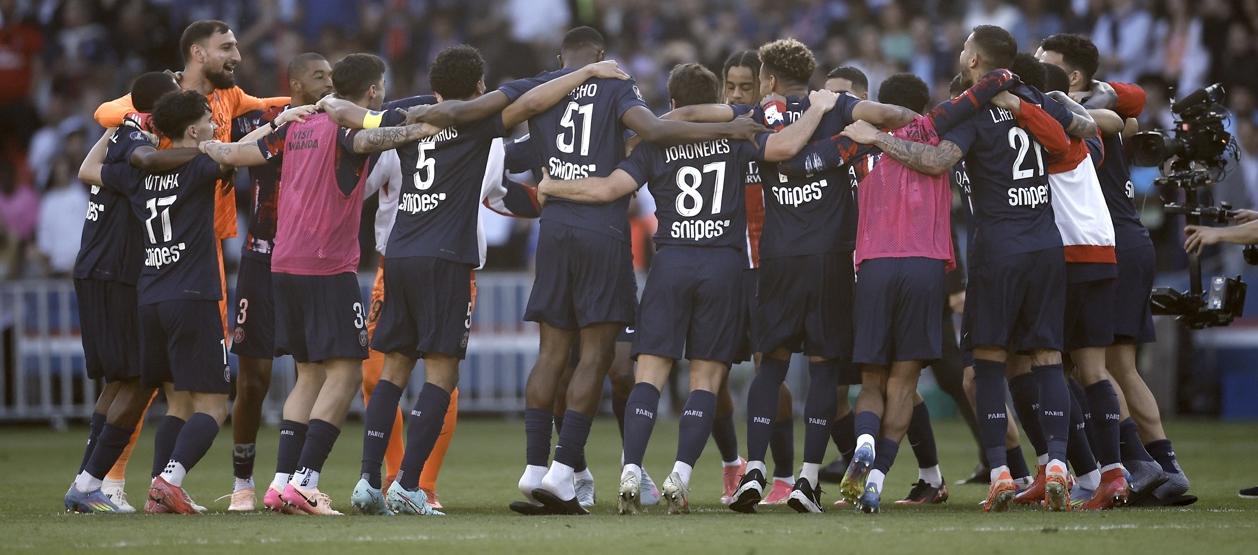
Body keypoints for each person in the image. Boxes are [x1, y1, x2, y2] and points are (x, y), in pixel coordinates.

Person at [408, 26, 764, 516]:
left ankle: (536, 469)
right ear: (601, 55)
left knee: (553, 352)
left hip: (552, 235)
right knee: (598, 356)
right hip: (604, 234)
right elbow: (655, 129)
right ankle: (563, 470)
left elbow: (495, 137)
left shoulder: (541, 88)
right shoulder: (616, 85)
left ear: (561, 56)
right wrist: (727, 129)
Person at [330, 46, 633, 517]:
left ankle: (369, 480)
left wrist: (324, 104)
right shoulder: (477, 125)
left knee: (392, 369)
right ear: (478, 90)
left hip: (400, 251)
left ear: (435, 89)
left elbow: (355, 121)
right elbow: (530, 102)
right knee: (442, 373)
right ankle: (409, 485)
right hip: (447, 258)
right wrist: (587, 71)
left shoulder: (406, 114)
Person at [542, 63, 838, 515]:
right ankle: (680, 474)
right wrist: (814, 111)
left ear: (674, 102)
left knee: (651, 374)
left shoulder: (655, 143)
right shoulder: (738, 136)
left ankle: (631, 467)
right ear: (716, 97)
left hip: (672, 262)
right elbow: (784, 147)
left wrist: (553, 186)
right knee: (705, 379)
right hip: (723, 264)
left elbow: (607, 190)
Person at [841, 25, 1097, 512]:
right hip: (1046, 244)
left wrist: (877, 138)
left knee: (989, 363)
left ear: (976, 61)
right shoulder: (1038, 102)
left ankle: (1000, 472)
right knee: (1047, 358)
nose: (960, 53)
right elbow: (1084, 128)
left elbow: (936, 160)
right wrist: (1043, 104)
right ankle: (1059, 463)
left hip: (997, 248)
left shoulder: (977, 114)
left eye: (964, 49)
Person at [200, 53, 437, 516]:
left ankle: (281, 482)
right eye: (382, 87)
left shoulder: (294, 127)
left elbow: (236, 153)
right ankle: (306, 482)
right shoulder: (345, 129)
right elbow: (381, 135)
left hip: (282, 263)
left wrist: (206, 147)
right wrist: (420, 130)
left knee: (308, 373)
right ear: (371, 92)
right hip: (327, 265)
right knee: (346, 371)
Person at [91, 20, 290, 497]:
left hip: (192, 253)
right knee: (160, 385)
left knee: (161, 385)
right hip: (172, 259)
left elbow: (266, 106)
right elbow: (105, 113)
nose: (237, 55)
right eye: (227, 47)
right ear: (197, 53)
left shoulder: (229, 95)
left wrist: (301, 107)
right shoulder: (165, 103)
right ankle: (116, 480)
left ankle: (121, 483)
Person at [78, 90, 262, 514]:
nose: (215, 126)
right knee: (215, 405)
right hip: (193, 297)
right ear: (193, 128)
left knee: (173, 399)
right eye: (208, 121)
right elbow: (249, 154)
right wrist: (278, 126)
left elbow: (88, 169)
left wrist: (114, 131)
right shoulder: (200, 166)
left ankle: (89, 481)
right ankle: (169, 480)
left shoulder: (137, 173)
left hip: (151, 297)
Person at [1038, 32, 1196, 506]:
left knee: (1106, 366)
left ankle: (1144, 465)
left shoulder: (1077, 113)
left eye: (1047, 63)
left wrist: (1090, 96)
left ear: (1074, 75)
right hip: (1120, 240)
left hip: (1107, 243)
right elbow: (1131, 102)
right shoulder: (1089, 110)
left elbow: (1133, 98)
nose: (1037, 68)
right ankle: (1156, 466)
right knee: (1110, 365)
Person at [63, 71, 196, 513]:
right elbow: (148, 163)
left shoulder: (121, 133)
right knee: (141, 378)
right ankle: (87, 484)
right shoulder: (137, 148)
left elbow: (86, 170)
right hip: (116, 270)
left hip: (96, 267)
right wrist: (201, 150)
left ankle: (87, 480)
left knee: (120, 378)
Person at [224, 52, 334, 512]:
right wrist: (282, 119)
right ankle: (242, 482)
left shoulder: (335, 122)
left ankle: (289, 481)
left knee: (313, 370)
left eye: (332, 75)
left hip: (309, 261)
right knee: (254, 379)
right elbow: (235, 147)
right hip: (261, 258)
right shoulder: (267, 120)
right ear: (295, 83)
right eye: (320, 75)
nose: (329, 82)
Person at [710, 49, 798, 507]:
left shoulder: (776, 132)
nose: (739, 95)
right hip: (722, 269)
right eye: (732, 86)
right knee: (709, 372)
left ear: (765, 86)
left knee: (770, 371)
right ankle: (732, 465)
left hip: (767, 269)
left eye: (748, 86)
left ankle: (783, 476)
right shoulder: (715, 132)